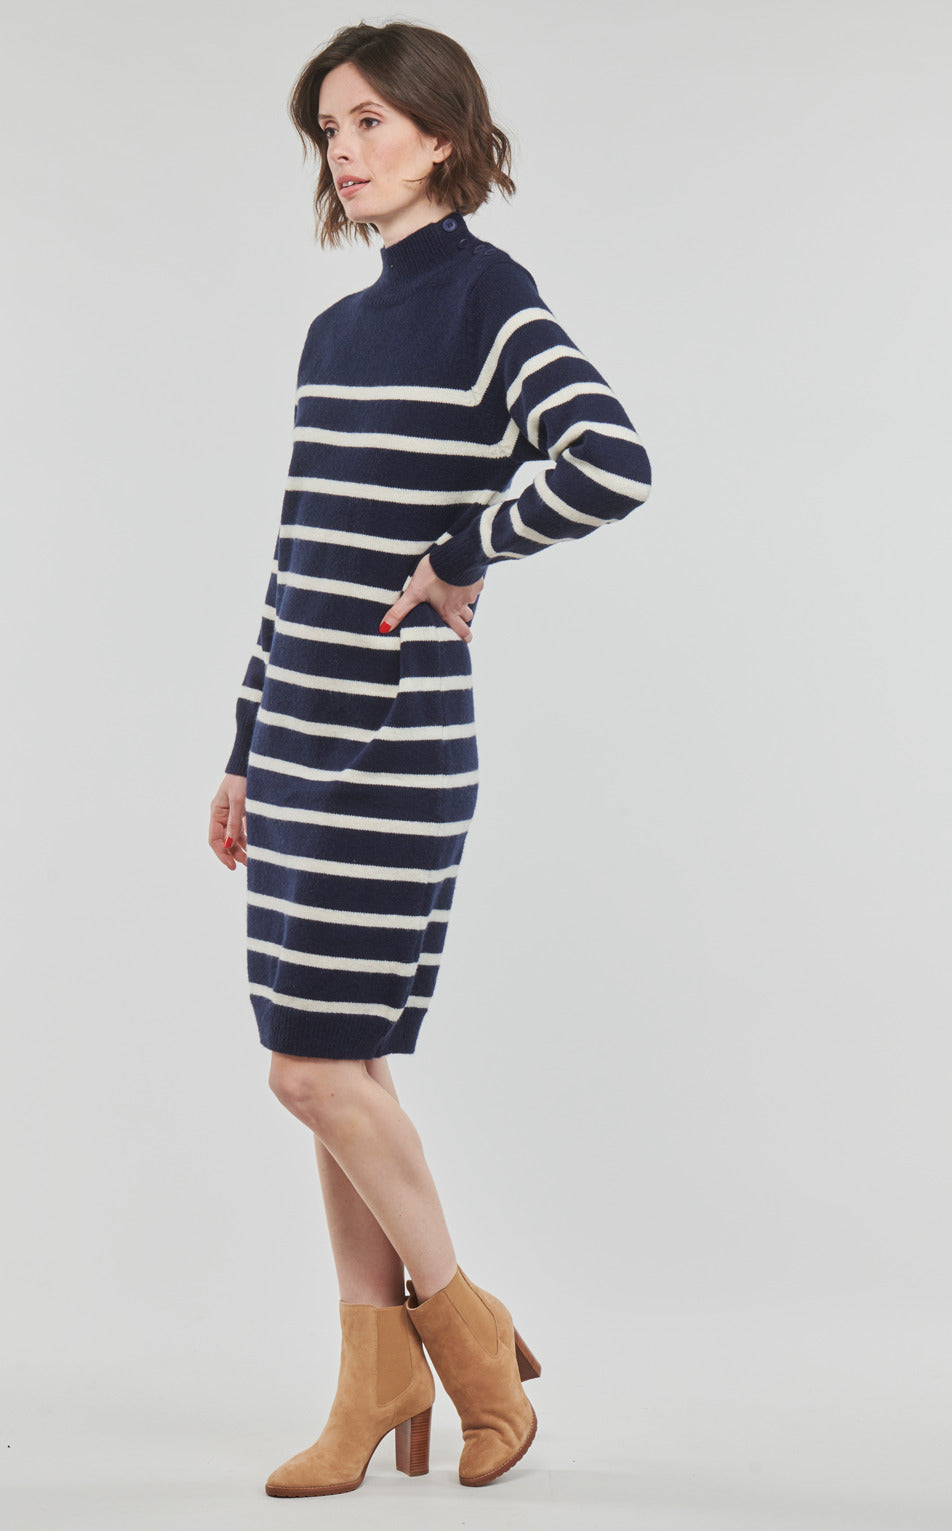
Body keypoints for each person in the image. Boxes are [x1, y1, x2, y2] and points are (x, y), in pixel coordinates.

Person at [207, 21, 652, 1498]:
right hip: (299, 735)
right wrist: (243, 744)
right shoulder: (335, 335)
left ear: (441, 134)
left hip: (396, 738)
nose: (344, 149)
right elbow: (297, 556)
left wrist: (468, 551)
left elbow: (609, 460)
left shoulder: (486, 298)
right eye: (329, 128)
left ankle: (464, 1332)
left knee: (306, 1068)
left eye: (370, 122)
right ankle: (371, 1371)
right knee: (341, 1062)